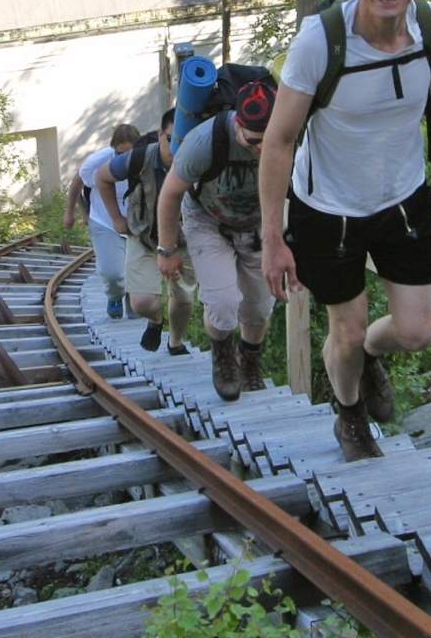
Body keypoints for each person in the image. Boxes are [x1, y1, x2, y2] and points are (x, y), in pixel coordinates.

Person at [259, 0, 431, 461]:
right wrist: (273, 239)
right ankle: (349, 414)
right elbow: (277, 143)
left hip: (403, 200)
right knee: (344, 328)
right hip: (327, 211)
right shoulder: (320, 41)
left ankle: (370, 354)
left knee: (416, 331)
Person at [156, 81, 279, 399]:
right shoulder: (204, 141)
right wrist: (166, 250)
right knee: (224, 304)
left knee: (260, 308)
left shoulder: (286, 136)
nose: (262, 149)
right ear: (238, 123)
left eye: (269, 141)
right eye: (253, 141)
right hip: (207, 222)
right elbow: (169, 195)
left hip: (257, 225)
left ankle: (249, 362)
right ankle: (224, 358)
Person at [98, 109, 192, 354]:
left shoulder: (199, 158)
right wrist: (117, 218)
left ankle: (176, 342)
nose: (175, 147)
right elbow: (102, 177)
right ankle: (155, 321)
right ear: (160, 134)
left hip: (183, 241)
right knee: (141, 303)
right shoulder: (138, 158)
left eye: (182, 140)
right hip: (143, 234)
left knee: (183, 300)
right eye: (170, 139)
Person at [65, 122, 141, 318]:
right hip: (104, 220)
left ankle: (133, 297)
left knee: (136, 267)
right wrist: (72, 213)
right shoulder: (98, 161)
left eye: (129, 153)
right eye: (119, 153)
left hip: (137, 220)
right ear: (113, 148)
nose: (124, 158)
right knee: (112, 272)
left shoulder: (145, 157)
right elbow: (76, 184)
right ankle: (115, 295)